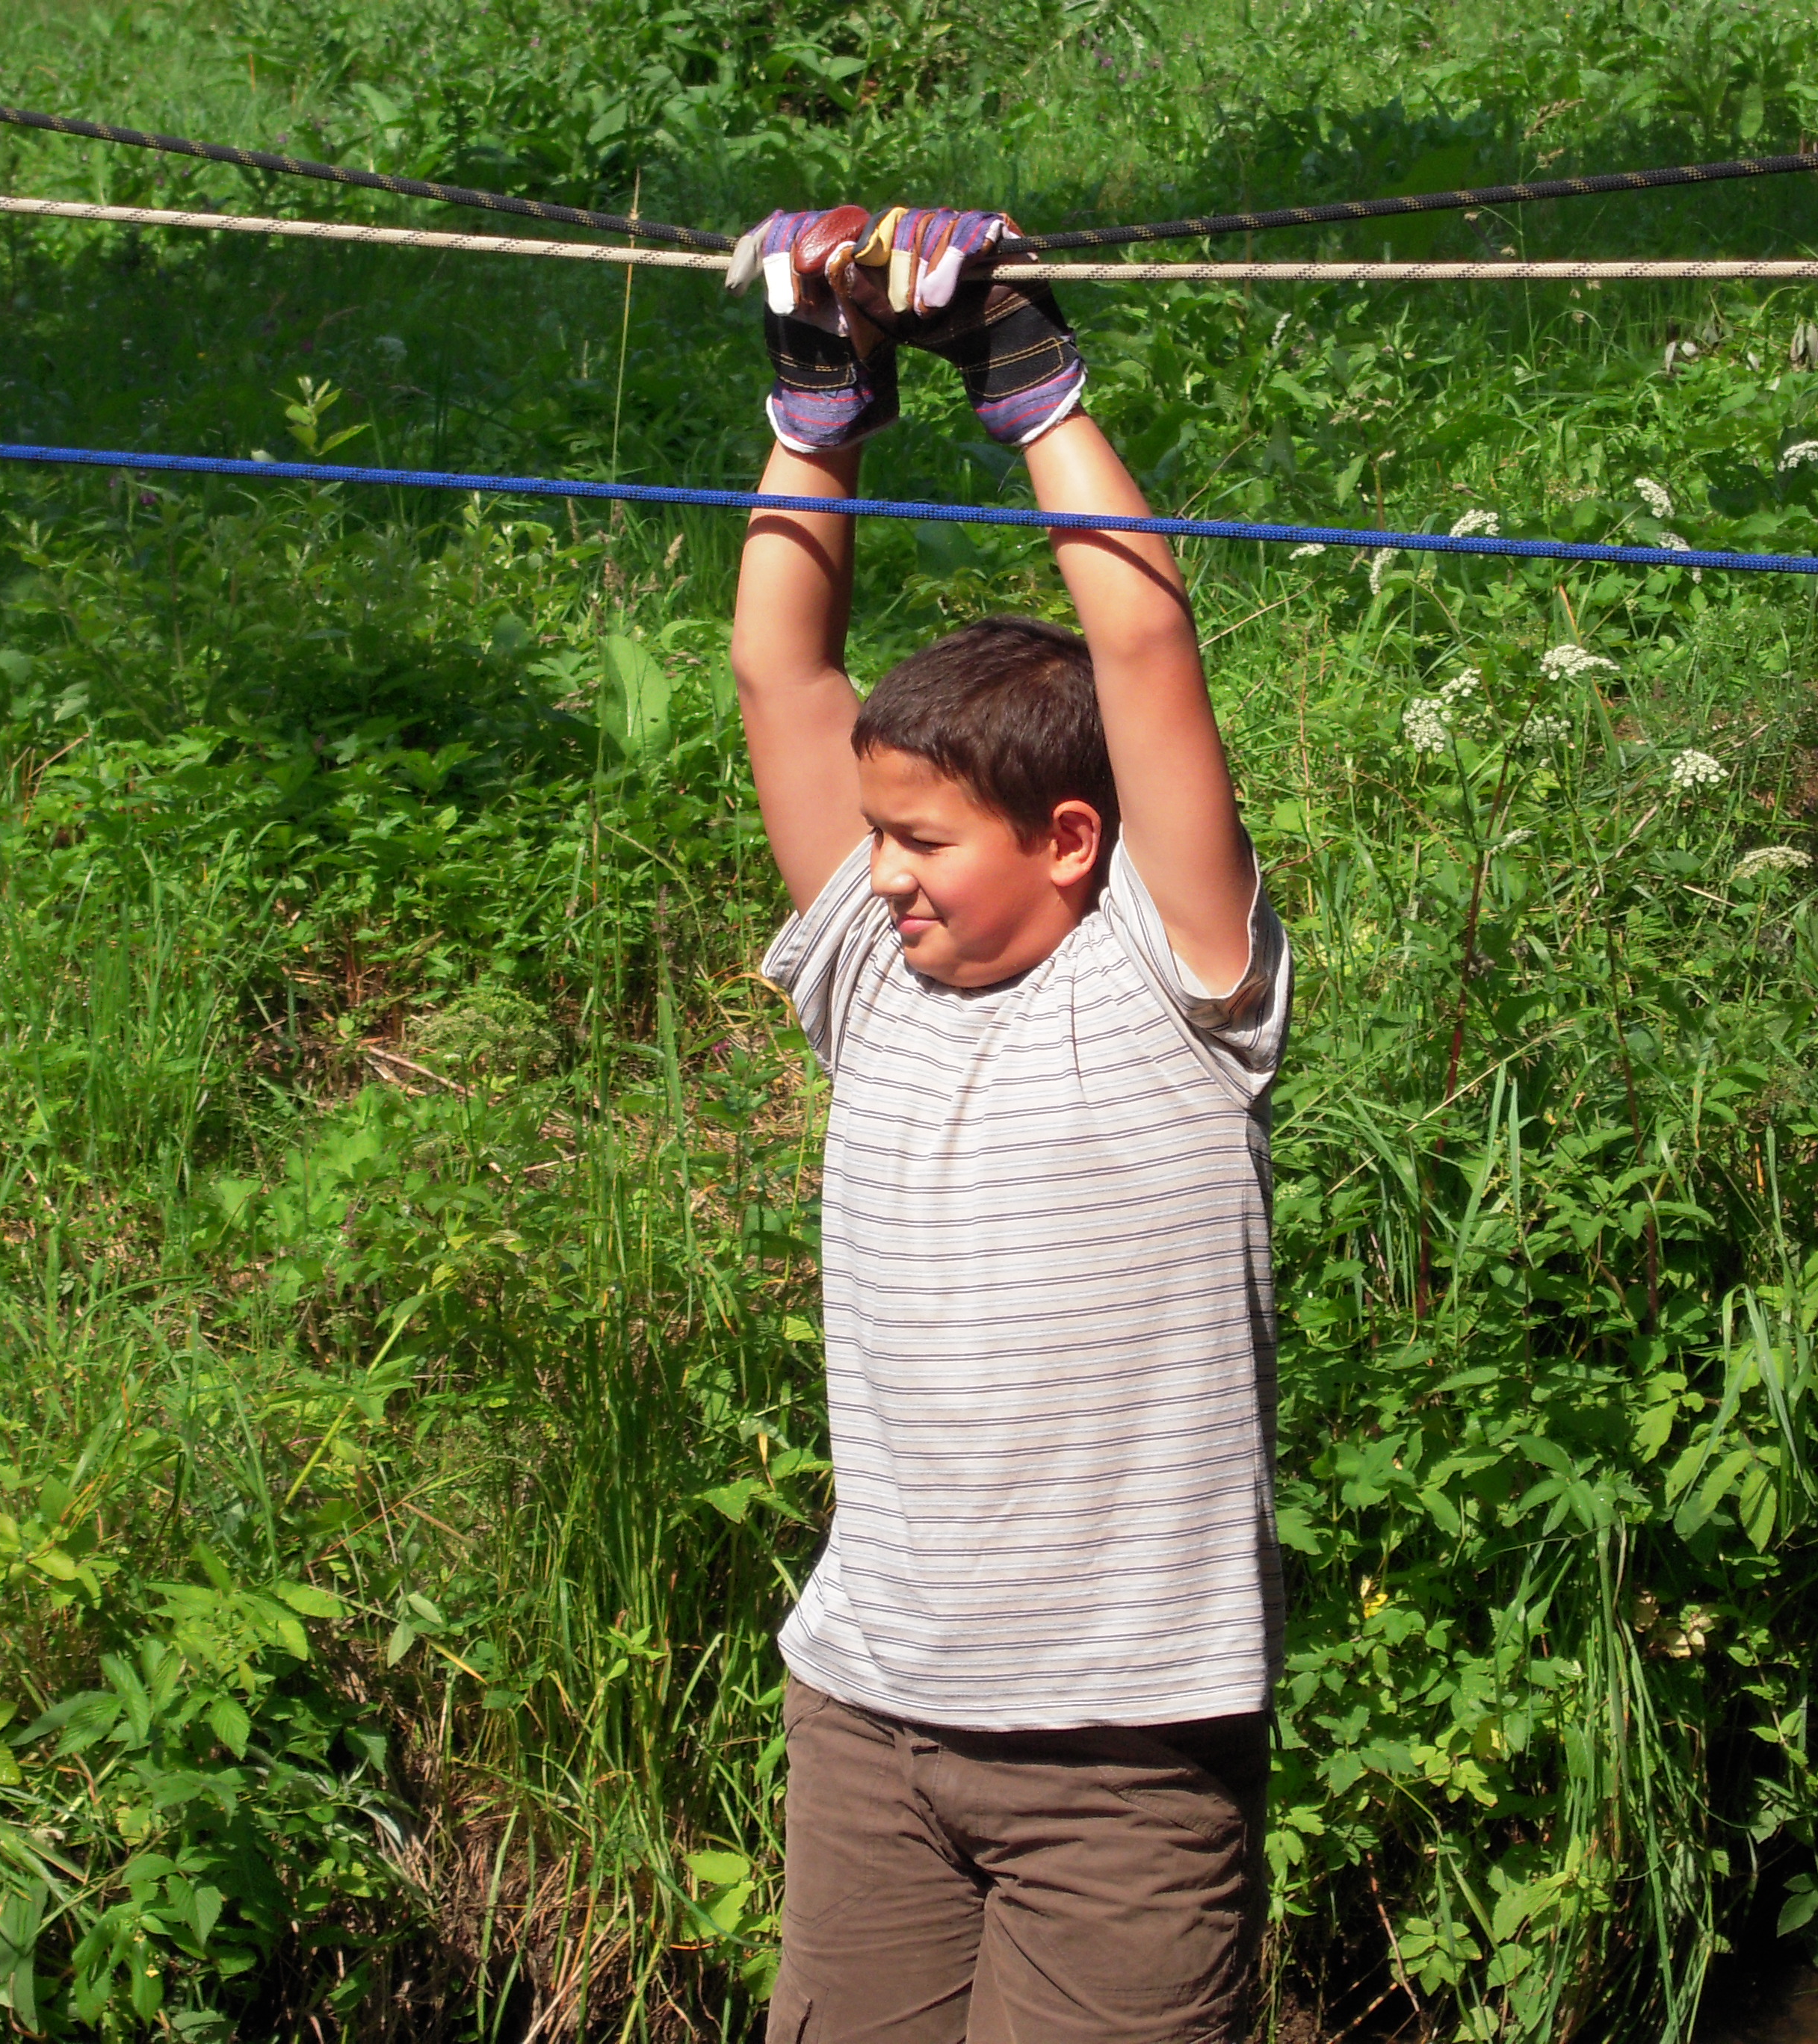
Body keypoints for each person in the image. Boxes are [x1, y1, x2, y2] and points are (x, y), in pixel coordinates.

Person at [725, 204, 1295, 2044]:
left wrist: (1027, 374)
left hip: (1120, 1763)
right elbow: (780, 677)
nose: (878, 873)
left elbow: (1144, 649)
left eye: (920, 841)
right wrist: (818, 413)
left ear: (1068, 840)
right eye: (872, 836)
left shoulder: (1178, 981)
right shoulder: (869, 973)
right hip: (871, 1718)